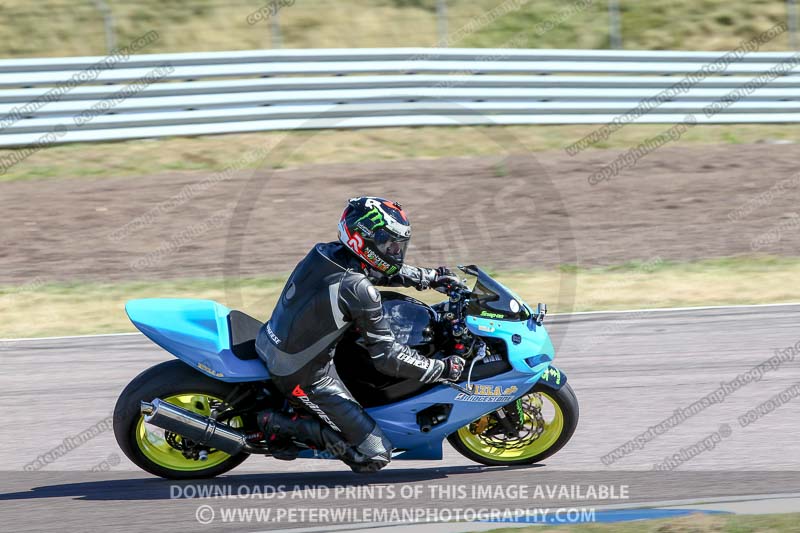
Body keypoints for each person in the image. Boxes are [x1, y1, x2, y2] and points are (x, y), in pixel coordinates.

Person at [255, 196, 465, 473]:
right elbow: (388, 358)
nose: (394, 250)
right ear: (364, 239)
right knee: (374, 456)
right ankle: (278, 424)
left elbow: (378, 271)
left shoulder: (326, 252)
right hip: (303, 374)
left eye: (398, 244)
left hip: (277, 340)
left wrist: (429, 278)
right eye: (387, 243)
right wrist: (441, 368)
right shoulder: (358, 289)